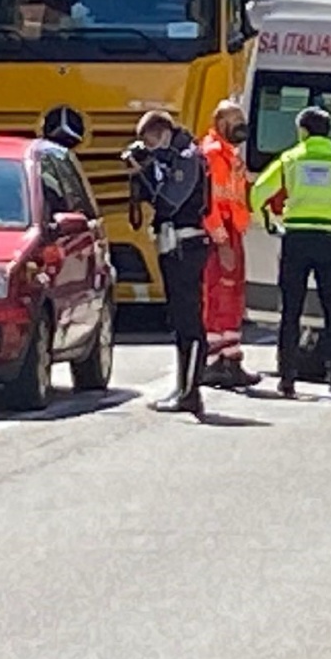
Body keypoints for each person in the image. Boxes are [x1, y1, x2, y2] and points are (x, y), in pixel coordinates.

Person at [250, 106, 331, 398]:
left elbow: (257, 193)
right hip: (330, 240)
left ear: (302, 131)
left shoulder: (290, 159)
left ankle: (287, 378)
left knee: (290, 310)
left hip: (296, 238)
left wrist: (270, 223)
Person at [127, 110, 211, 419]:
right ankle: (183, 387)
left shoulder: (187, 157)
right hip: (173, 244)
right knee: (178, 319)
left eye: (149, 141)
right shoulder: (171, 156)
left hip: (185, 245)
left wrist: (146, 170)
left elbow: (168, 201)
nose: (148, 148)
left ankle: (191, 393)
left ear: (163, 133)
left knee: (188, 320)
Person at [198, 99, 260, 390]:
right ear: (220, 122)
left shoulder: (230, 154)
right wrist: (221, 240)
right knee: (217, 295)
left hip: (232, 231)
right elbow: (209, 203)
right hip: (218, 235)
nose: (241, 125)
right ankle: (211, 362)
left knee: (233, 296)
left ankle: (230, 359)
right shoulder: (212, 154)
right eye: (235, 119)